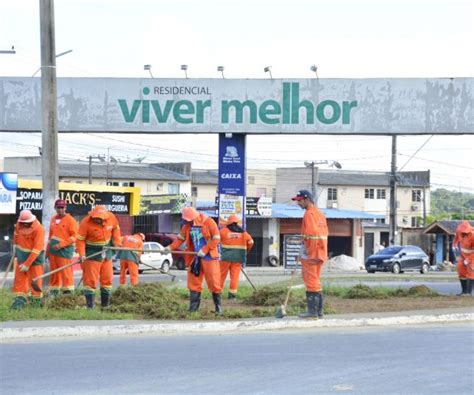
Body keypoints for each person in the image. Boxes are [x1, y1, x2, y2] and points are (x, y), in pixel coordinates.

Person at [165, 207, 223, 314]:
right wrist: (170, 248)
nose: (186, 222)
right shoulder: (187, 226)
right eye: (186, 221)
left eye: (188, 220)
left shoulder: (209, 222)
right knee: (193, 283)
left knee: (214, 283)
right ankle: (193, 309)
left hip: (209, 257)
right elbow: (180, 239)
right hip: (195, 257)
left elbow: (216, 238)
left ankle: (218, 308)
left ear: (193, 217)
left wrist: (205, 250)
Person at [292, 190, 328, 318]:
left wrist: (307, 251)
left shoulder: (309, 214)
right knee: (316, 280)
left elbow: (312, 234)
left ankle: (313, 312)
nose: (298, 203)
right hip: (320, 252)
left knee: (311, 280)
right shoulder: (320, 214)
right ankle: (318, 311)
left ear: (307, 200)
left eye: (300, 200)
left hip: (312, 253)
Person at [76, 205, 122, 308]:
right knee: (90, 281)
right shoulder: (85, 222)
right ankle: (90, 307)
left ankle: (105, 306)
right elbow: (80, 240)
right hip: (92, 254)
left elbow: (116, 229)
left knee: (107, 279)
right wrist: (82, 254)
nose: (98, 220)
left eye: (100, 219)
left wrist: (117, 242)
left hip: (107, 252)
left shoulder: (111, 217)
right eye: (96, 218)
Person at [10, 210, 45, 310]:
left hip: (35, 259)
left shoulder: (39, 229)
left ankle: (36, 305)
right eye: (23, 223)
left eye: (27, 223)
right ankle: (19, 303)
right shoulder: (19, 224)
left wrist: (27, 264)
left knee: (35, 282)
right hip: (21, 258)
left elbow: (37, 249)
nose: (24, 224)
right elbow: (16, 235)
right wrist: (15, 248)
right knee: (19, 282)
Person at [47, 199, 78, 296]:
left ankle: (68, 293)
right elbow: (50, 236)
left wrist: (61, 245)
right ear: (55, 208)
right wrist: (47, 251)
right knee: (54, 273)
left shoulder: (71, 220)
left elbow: (74, 237)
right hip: (53, 251)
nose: (60, 209)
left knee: (66, 272)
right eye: (58, 207)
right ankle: (54, 292)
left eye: (62, 207)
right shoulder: (53, 219)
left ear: (65, 208)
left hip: (64, 251)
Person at [219, 214, 254, 300]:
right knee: (234, 277)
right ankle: (232, 296)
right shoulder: (244, 233)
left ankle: (218, 294)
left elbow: (216, 241)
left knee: (221, 275)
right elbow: (251, 242)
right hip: (238, 258)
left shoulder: (223, 231)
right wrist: (246, 250)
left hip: (225, 258)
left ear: (228, 223)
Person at [453, 220, 474, 296]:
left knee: (471, 272)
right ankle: (464, 292)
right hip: (462, 255)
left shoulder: (473, 235)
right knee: (461, 271)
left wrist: (468, 259)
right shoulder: (459, 231)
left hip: (472, 255)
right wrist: (454, 246)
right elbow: (456, 239)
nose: (463, 233)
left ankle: (469, 293)